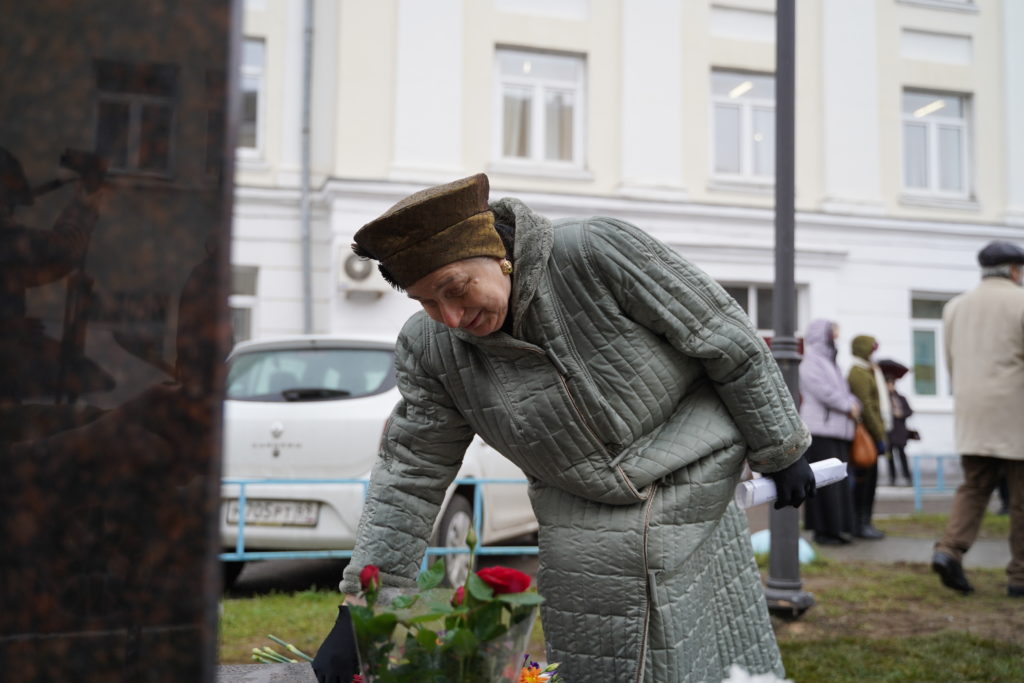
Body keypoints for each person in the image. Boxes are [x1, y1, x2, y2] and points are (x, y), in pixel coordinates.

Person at [314, 173, 814, 681]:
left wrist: (781, 447)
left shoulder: (596, 252)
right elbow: (410, 472)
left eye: (457, 289)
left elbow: (722, 337)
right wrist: (364, 610)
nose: (452, 316)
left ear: (498, 254)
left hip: (691, 473)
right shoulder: (430, 348)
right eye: (427, 302)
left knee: (701, 644)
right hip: (577, 517)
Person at [932, 240, 1024, 598]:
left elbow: (952, 361)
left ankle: (948, 550)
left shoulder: (956, 306)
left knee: (973, 488)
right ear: (1014, 270)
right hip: (1016, 414)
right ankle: (1020, 576)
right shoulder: (1020, 301)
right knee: (1021, 500)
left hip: (973, 415)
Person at [799, 319, 860, 545]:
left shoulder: (831, 362)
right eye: (834, 332)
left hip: (837, 431)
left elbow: (843, 390)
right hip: (821, 431)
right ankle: (824, 532)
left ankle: (837, 529)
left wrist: (855, 404)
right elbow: (823, 391)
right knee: (823, 483)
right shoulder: (812, 361)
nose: (836, 337)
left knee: (837, 481)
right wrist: (847, 406)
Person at [846, 335, 889, 540]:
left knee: (869, 483)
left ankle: (865, 522)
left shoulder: (867, 371)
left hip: (872, 433)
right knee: (864, 483)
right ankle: (860, 525)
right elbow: (868, 406)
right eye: (872, 349)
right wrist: (878, 433)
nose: (874, 353)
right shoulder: (858, 373)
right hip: (867, 435)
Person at [878, 359, 915, 487]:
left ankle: (907, 477)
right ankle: (892, 478)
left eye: (891, 384)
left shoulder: (901, 398)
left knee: (902, 455)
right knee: (890, 457)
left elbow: (909, 411)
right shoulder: (883, 399)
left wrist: (901, 413)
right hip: (889, 432)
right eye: (888, 384)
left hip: (899, 431)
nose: (890, 386)